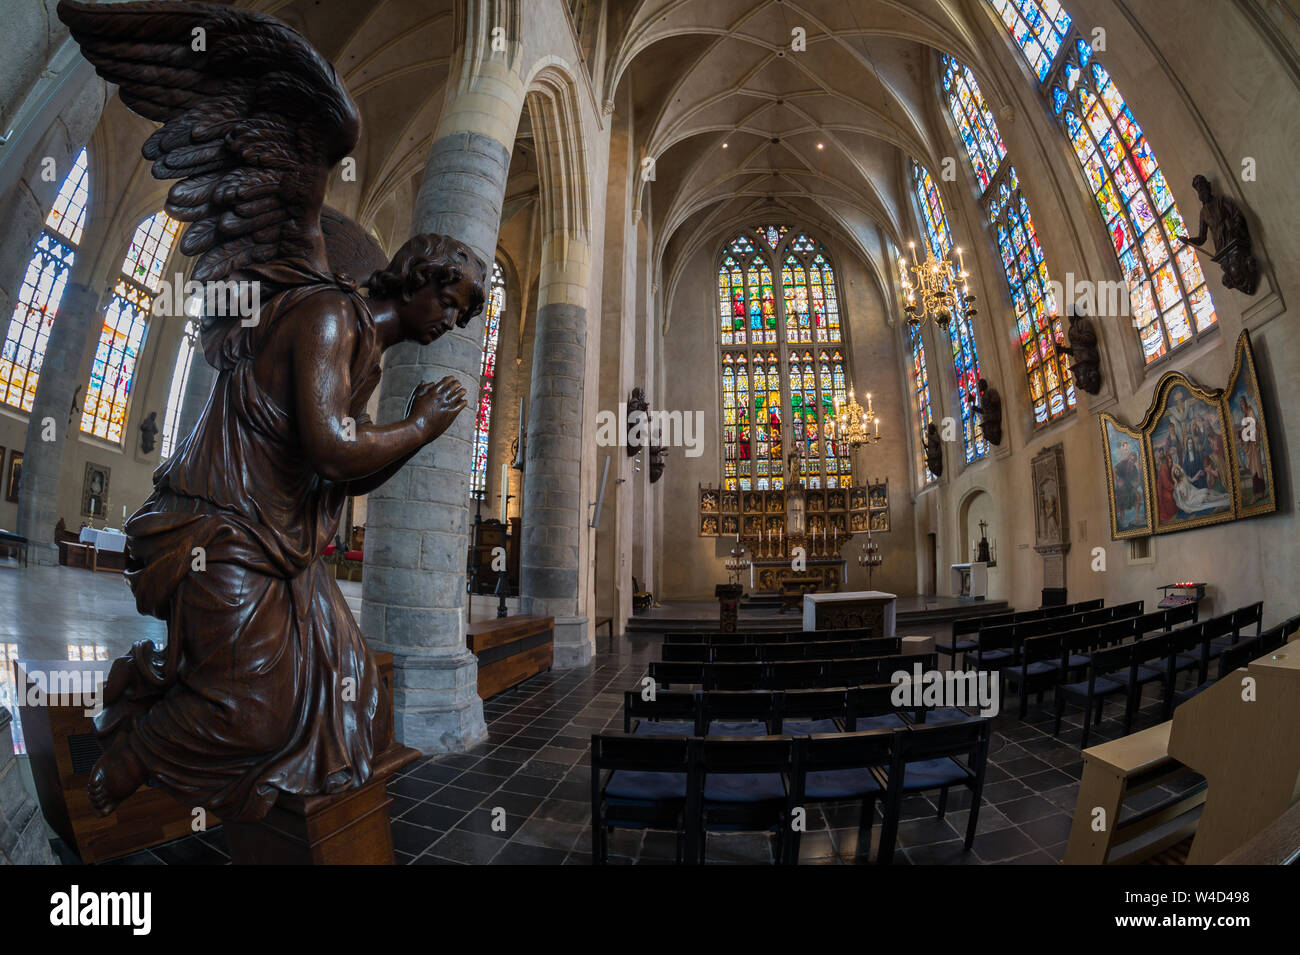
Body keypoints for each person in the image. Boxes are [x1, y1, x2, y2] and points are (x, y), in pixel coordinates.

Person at [89, 234, 485, 820]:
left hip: (279, 544)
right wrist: (419, 428)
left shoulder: (366, 351)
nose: (450, 322)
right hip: (223, 528)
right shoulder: (330, 317)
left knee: (362, 705)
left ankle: (293, 824)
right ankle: (135, 749)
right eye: (449, 301)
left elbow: (341, 478)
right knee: (251, 712)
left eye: (464, 314)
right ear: (415, 278)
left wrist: (411, 437)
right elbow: (332, 450)